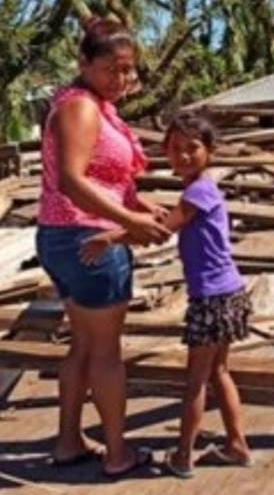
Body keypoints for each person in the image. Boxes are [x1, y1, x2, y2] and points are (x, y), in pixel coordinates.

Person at [82, 109, 253, 479]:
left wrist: (110, 238)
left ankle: (183, 457)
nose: (183, 155)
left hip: (212, 298)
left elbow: (162, 232)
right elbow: (170, 221)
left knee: (195, 382)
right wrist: (145, 215)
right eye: (175, 149)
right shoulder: (197, 190)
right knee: (219, 371)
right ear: (165, 152)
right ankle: (236, 444)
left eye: (192, 148)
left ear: (210, 150)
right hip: (229, 291)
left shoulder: (199, 190)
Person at [34, 17, 171, 478]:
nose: (122, 78)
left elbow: (103, 178)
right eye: (111, 68)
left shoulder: (92, 106)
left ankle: (68, 442)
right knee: (106, 353)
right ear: (84, 63)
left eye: (128, 69)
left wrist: (141, 205)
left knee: (83, 345)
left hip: (65, 237)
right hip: (88, 239)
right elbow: (73, 182)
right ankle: (117, 453)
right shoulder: (80, 109)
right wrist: (129, 222)